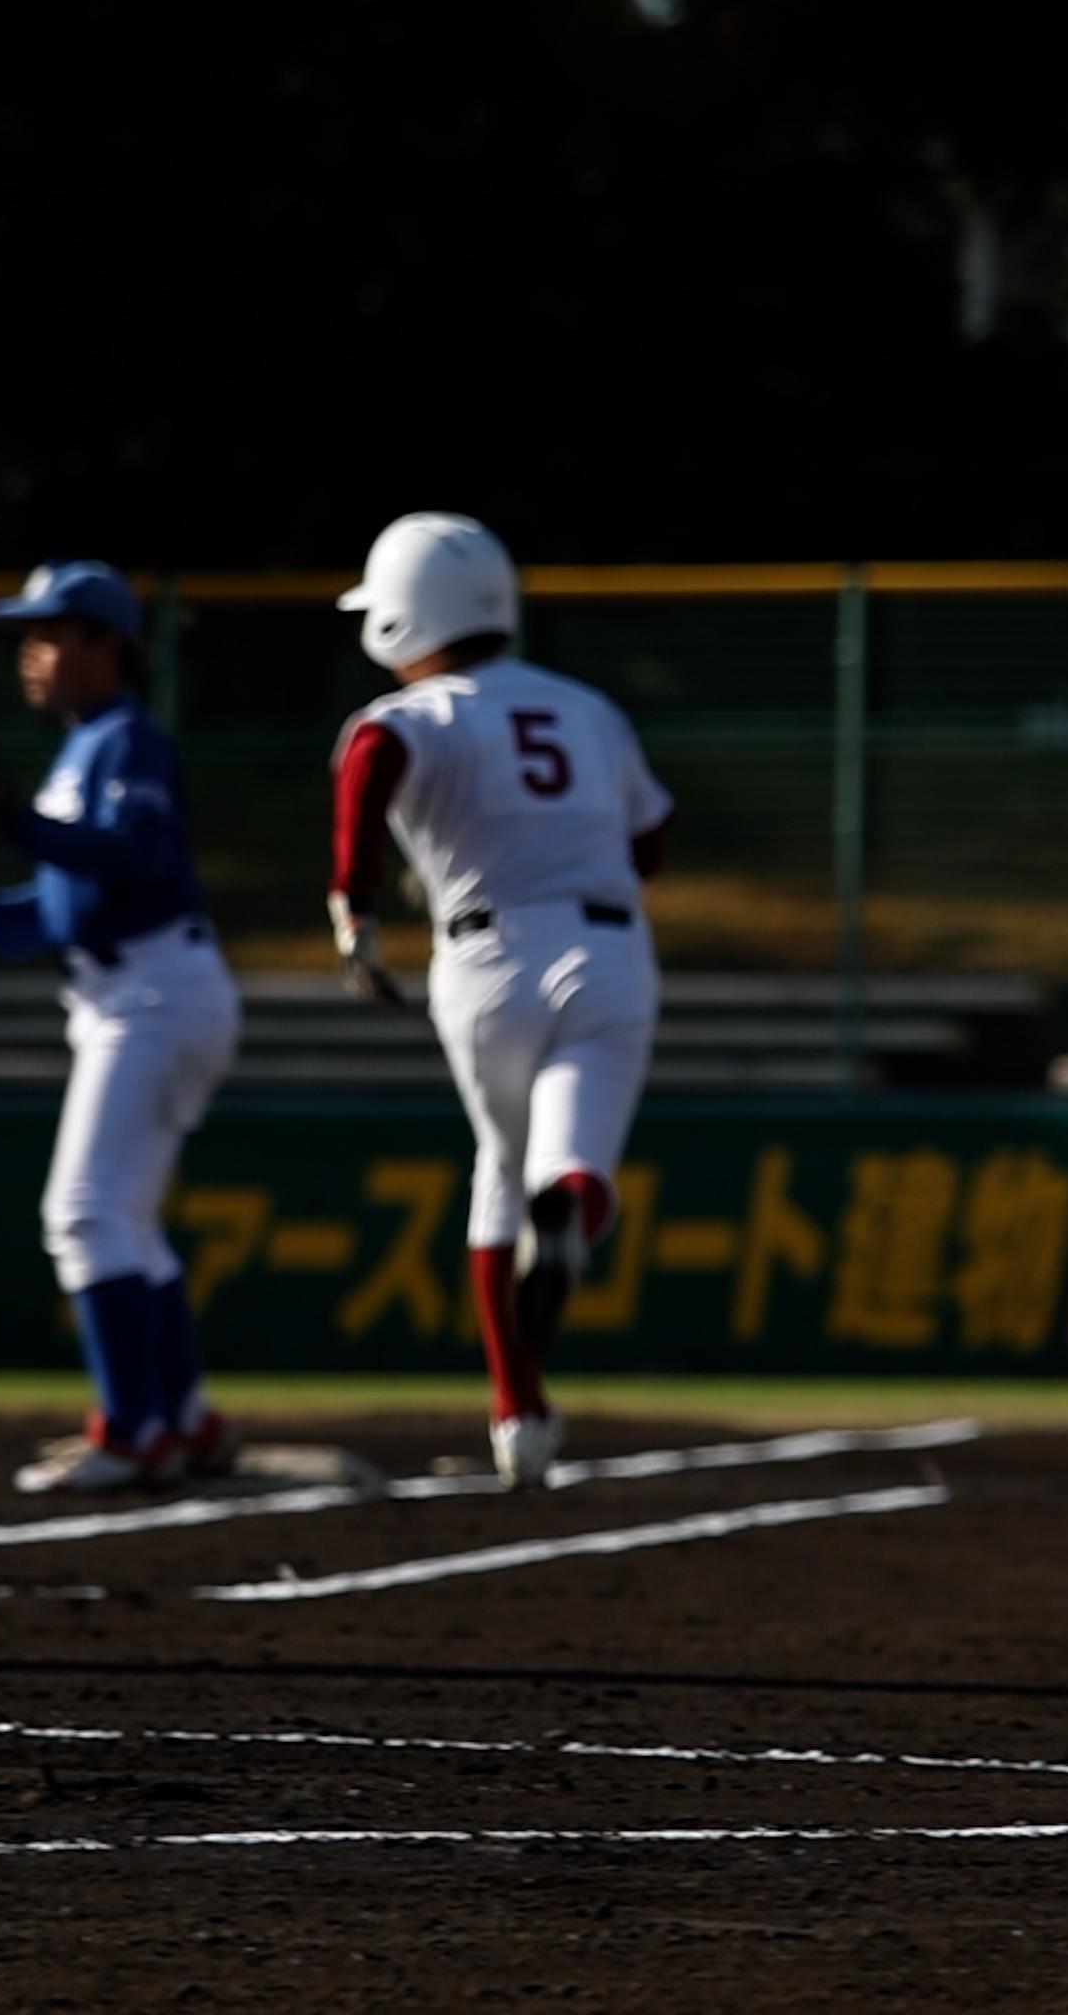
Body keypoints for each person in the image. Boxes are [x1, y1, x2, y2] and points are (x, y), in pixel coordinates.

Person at [325, 513, 669, 1491]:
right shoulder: (587, 708)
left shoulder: (413, 714)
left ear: (397, 617)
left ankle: (518, 1411)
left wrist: (353, 905)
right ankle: (568, 1213)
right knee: (573, 1164)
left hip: (486, 954)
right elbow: (652, 844)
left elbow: (368, 766)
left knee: (497, 1168)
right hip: (609, 947)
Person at [0, 560, 244, 1494]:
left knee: (85, 1213)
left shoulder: (128, 741)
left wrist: (15, 820)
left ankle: (131, 1429)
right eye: (29, 635)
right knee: (127, 1221)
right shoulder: (82, 751)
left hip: (155, 991)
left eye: (52, 634)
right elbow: (75, 905)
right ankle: (184, 1421)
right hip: (136, 987)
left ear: (110, 647)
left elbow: (138, 857)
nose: (32, 653)